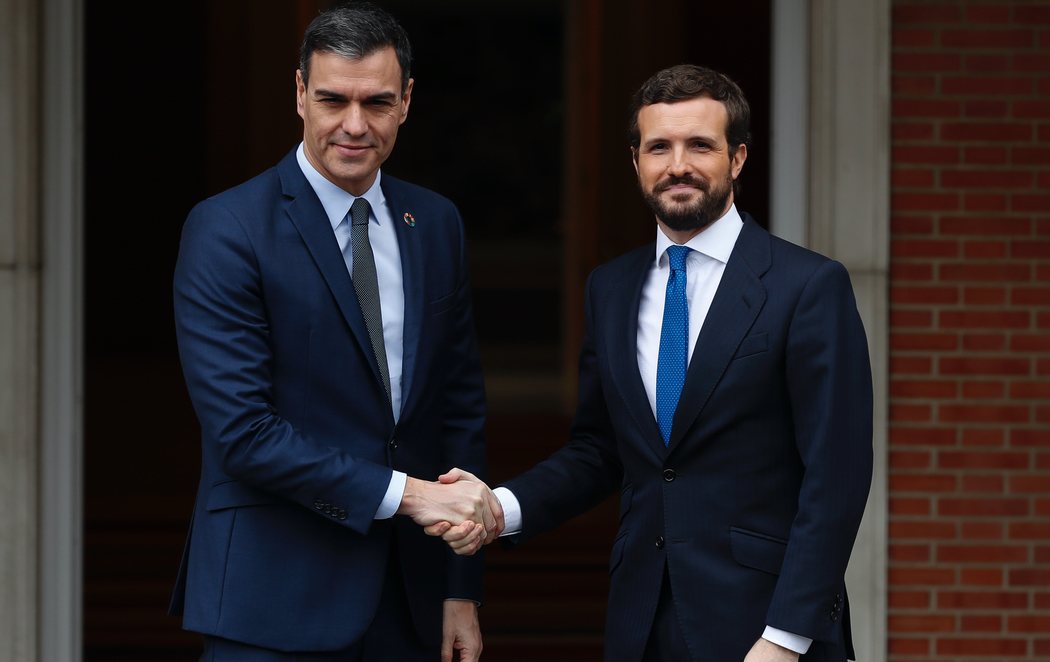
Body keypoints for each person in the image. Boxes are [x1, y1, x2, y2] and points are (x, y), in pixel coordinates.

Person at [433, 64, 873, 661]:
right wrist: (499, 508)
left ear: (738, 158)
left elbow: (837, 477)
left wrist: (785, 637)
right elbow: (599, 450)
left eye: (700, 145)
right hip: (642, 623)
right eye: (658, 146)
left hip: (764, 627)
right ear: (635, 161)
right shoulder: (609, 289)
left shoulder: (807, 286)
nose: (678, 165)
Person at [169, 3, 504, 660]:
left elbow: (457, 409)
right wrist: (409, 497)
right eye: (332, 100)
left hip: (409, 605)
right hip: (270, 605)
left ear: (407, 101)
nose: (355, 125)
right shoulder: (227, 230)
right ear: (300, 94)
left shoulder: (435, 224)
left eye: (377, 102)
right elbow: (243, 432)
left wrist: (460, 591)